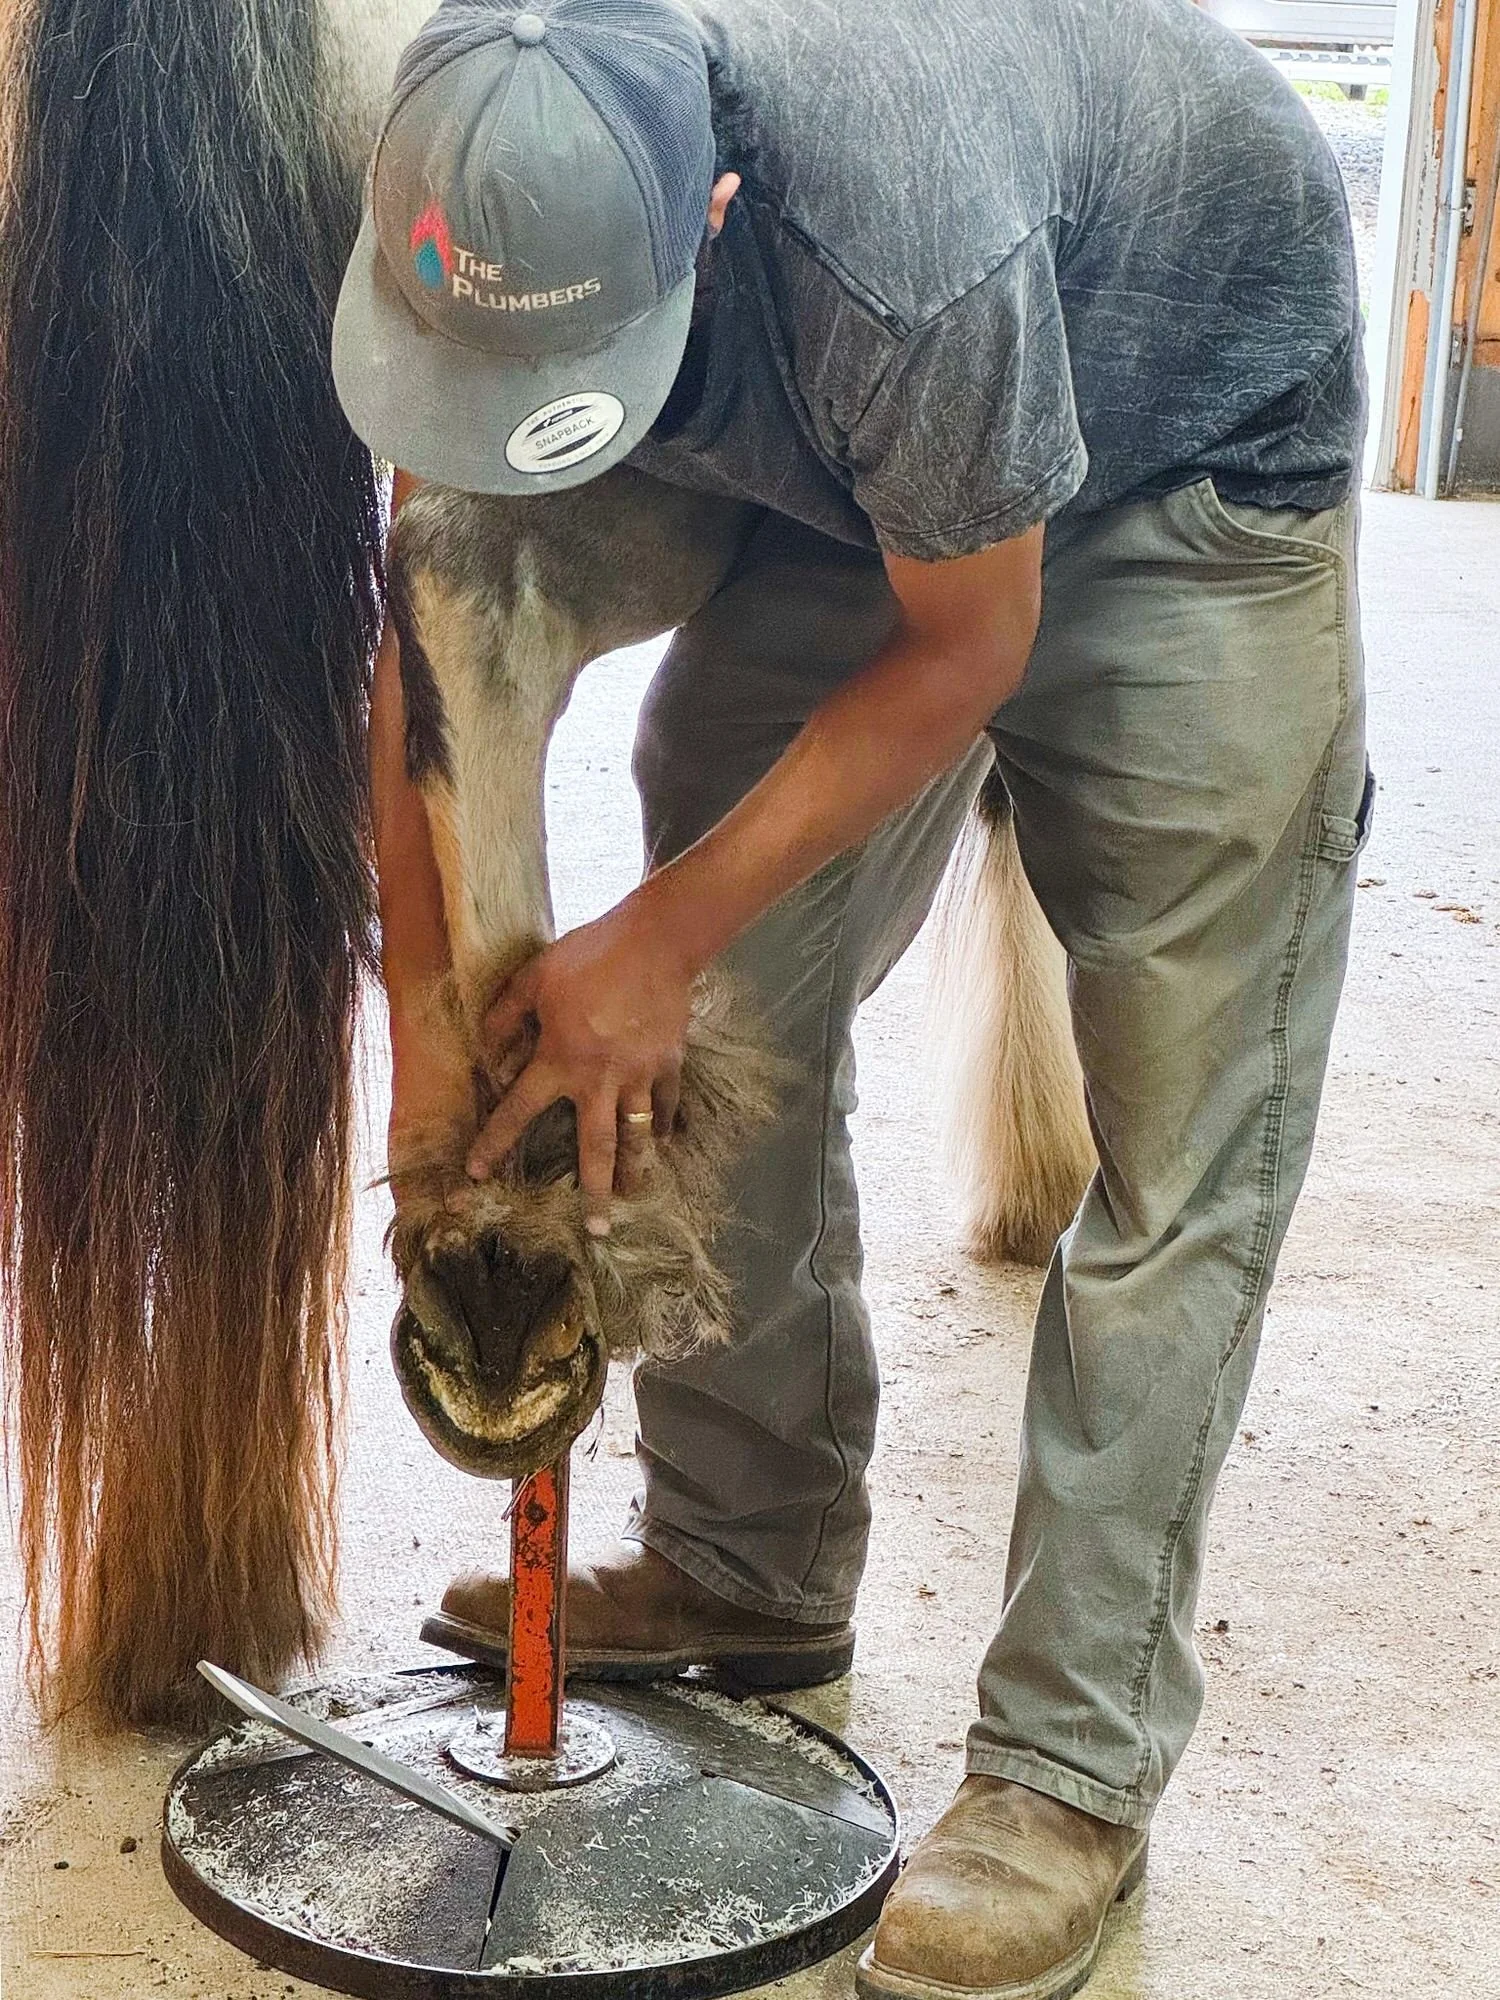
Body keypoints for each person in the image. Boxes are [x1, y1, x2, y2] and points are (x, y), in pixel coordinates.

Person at [332, 1, 1371, 1994]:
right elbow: (435, 623)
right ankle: (751, 1560)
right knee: (732, 1025)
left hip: (1186, 472)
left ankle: (1068, 1767)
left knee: (1190, 1130)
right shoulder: (468, 168)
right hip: (854, 473)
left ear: (707, 214)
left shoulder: (903, 234)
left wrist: (648, 943)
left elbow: (970, 644)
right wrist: (431, 1044)